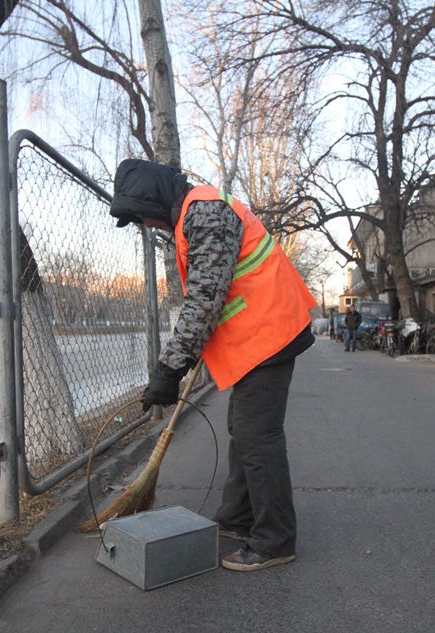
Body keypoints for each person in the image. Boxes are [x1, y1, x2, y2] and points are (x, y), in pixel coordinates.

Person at [109, 158, 316, 572]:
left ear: (151, 199)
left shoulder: (204, 213)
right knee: (245, 429)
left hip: (271, 333)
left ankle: (275, 540)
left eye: (142, 217)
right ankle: (239, 518)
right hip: (261, 338)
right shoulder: (196, 213)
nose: (147, 226)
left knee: (258, 437)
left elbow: (204, 300)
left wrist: (170, 369)